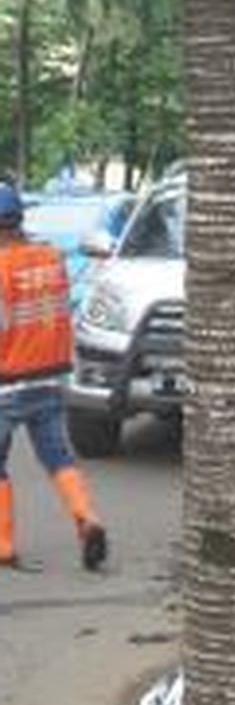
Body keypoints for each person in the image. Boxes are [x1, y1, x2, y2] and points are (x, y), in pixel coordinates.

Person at [0, 182, 107, 571]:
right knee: (58, 458)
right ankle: (88, 518)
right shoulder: (50, 258)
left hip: (6, 382)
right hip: (49, 379)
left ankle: (4, 546)